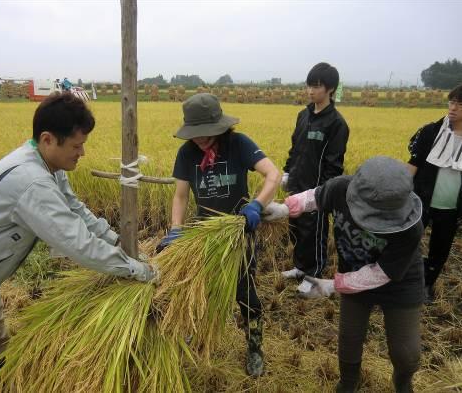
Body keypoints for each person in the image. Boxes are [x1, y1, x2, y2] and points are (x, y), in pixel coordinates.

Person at [0, 92, 157, 393]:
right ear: (48, 139)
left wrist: (116, 239)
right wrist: (136, 270)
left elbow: (75, 210)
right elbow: (76, 242)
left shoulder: (46, 166)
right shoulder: (32, 181)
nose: (81, 153)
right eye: (76, 146)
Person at [264, 156, 424, 393]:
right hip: (352, 271)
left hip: (399, 282)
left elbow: (381, 273)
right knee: (349, 340)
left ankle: (403, 383)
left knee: (406, 352)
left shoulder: (411, 227)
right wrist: (285, 208)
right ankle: (348, 383)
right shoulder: (341, 188)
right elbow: (315, 197)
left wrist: (333, 285)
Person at [156, 93, 281, 377]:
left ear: (220, 126)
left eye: (205, 133)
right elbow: (180, 196)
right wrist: (176, 230)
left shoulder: (239, 144)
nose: (199, 139)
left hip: (239, 233)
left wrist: (256, 206)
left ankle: (254, 347)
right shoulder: (187, 153)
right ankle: (198, 336)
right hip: (205, 236)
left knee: (245, 293)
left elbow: (273, 174)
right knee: (199, 290)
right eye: (195, 134)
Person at [280, 63, 350, 292]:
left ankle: (313, 277)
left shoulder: (336, 123)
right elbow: (295, 149)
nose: (311, 91)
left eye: (317, 86)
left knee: (314, 232)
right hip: (296, 184)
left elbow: (334, 164)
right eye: (309, 85)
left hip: (316, 190)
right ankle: (300, 267)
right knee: (297, 229)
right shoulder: (303, 115)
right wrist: (287, 172)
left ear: (330, 89)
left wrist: (323, 193)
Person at [407, 84, 462, 304]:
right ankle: (397, 281)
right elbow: (414, 163)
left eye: (460, 103)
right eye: (452, 102)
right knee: (406, 241)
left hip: (451, 208)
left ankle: (427, 285)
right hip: (421, 200)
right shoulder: (431, 132)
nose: (454, 107)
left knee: (440, 250)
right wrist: (400, 191)